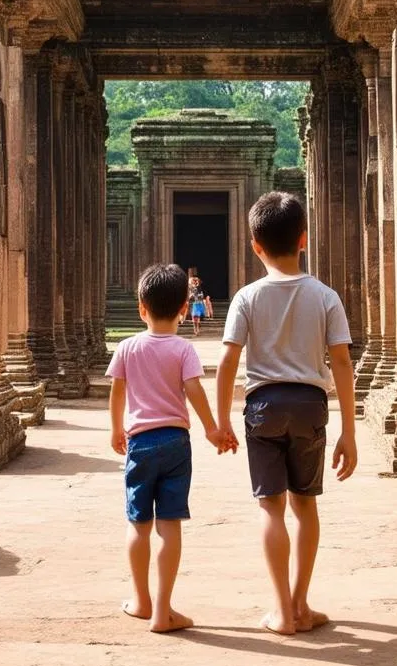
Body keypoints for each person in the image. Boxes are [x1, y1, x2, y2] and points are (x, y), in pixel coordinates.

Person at [215, 191, 358, 636]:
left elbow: (227, 362)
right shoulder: (325, 296)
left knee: (270, 507)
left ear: (255, 246)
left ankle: (280, 612)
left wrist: (220, 420)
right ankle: (300, 603)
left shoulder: (246, 297)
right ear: (304, 240)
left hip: (262, 405)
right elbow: (342, 364)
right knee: (305, 505)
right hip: (310, 405)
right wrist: (349, 431)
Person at [107, 262, 235, 633]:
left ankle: (140, 600)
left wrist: (117, 430)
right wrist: (212, 429)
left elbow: (118, 392)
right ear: (184, 308)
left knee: (138, 523)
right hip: (176, 442)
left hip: (140, 442)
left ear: (140, 308)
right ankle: (163, 610)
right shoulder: (183, 349)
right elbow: (194, 391)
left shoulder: (127, 347)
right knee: (170, 525)